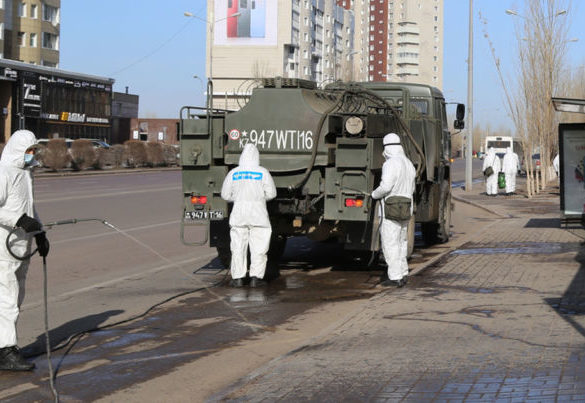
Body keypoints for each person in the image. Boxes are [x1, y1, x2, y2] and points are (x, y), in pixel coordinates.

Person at [0, 130, 49, 371]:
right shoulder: (4, 172)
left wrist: (39, 233)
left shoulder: (26, 173)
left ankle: (7, 346)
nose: (31, 155)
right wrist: (17, 220)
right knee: (7, 298)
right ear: (18, 150)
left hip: (22, 246)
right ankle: (6, 350)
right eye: (28, 151)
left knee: (15, 297)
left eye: (34, 150)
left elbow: (29, 208)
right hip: (4, 247)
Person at [221, 143, 276, 288]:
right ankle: (256, 279)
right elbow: (272, 194)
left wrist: (238, 198)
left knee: (238, 247)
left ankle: (238, 278)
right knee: (259, 247)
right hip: (258, 214)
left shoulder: (234, 173)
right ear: (257, 157)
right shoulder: (263, 172)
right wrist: (259, 199)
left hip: (239, 214)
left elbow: (225, 195)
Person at [371, 133, 416, 288]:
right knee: (402, 241)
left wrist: (374, 194)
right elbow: (412, 188)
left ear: (387, 147)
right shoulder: (408, 163)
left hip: (391, 210)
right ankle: (403, 273)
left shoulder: (390, 164)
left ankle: (395, 277)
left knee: (390, 243)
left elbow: (385, 187)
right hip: (406, 208)